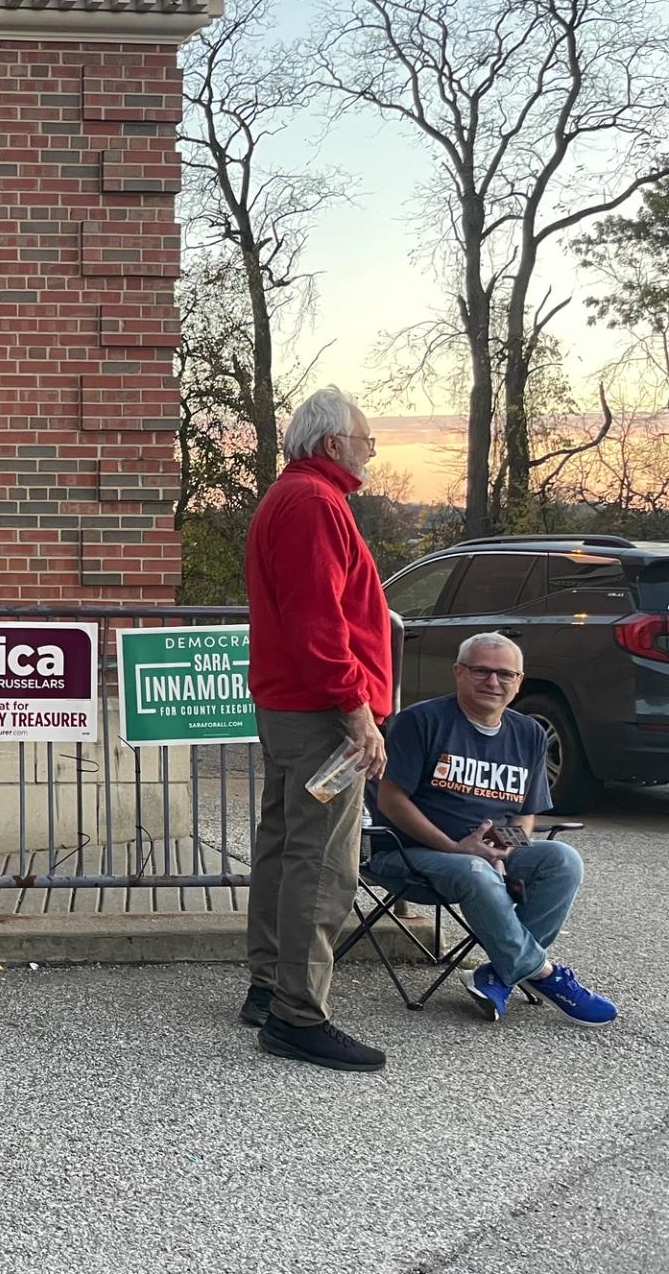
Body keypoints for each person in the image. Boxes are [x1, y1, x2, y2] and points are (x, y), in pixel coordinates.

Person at [240, 386, 394, 1072]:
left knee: (284, 843)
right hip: (319, 712)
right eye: (366, 441)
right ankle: (298, 1014)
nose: (370, 452)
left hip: (292, 707)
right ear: (333, 444)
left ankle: (270, 985)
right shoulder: (315, 503)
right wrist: (357, 709)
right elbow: (321, 622)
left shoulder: (292, 497)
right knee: (324, 861)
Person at [369, 632, 617, 1025]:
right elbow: (391, 801)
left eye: (505, 674)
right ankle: (542, 973)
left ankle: (499, 974)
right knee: (474, 869)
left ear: (519, 681)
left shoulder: (529, 733)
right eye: (481, 671)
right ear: (458, 673)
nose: (493, 682)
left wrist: (503, 847)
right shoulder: (420, 721)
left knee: (562, 860)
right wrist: (457, 848)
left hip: (486, 852)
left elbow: (524, 815)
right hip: (410, 852)